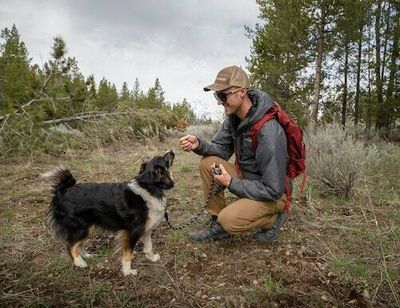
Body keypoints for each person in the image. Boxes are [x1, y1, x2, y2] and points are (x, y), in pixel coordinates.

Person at [179, 65, 289, 242]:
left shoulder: (268, 131)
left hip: (272, 194)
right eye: (217, 96)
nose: (219, 102)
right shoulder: (233, 119)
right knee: (208, 162)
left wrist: (231, 183)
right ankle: (217, 223)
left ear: (242, 92)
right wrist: (199, 144)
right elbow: (220, 149)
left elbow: (273, 189)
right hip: (248, 179)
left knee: (229, 220)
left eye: (223, 95)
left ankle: (274, 218)